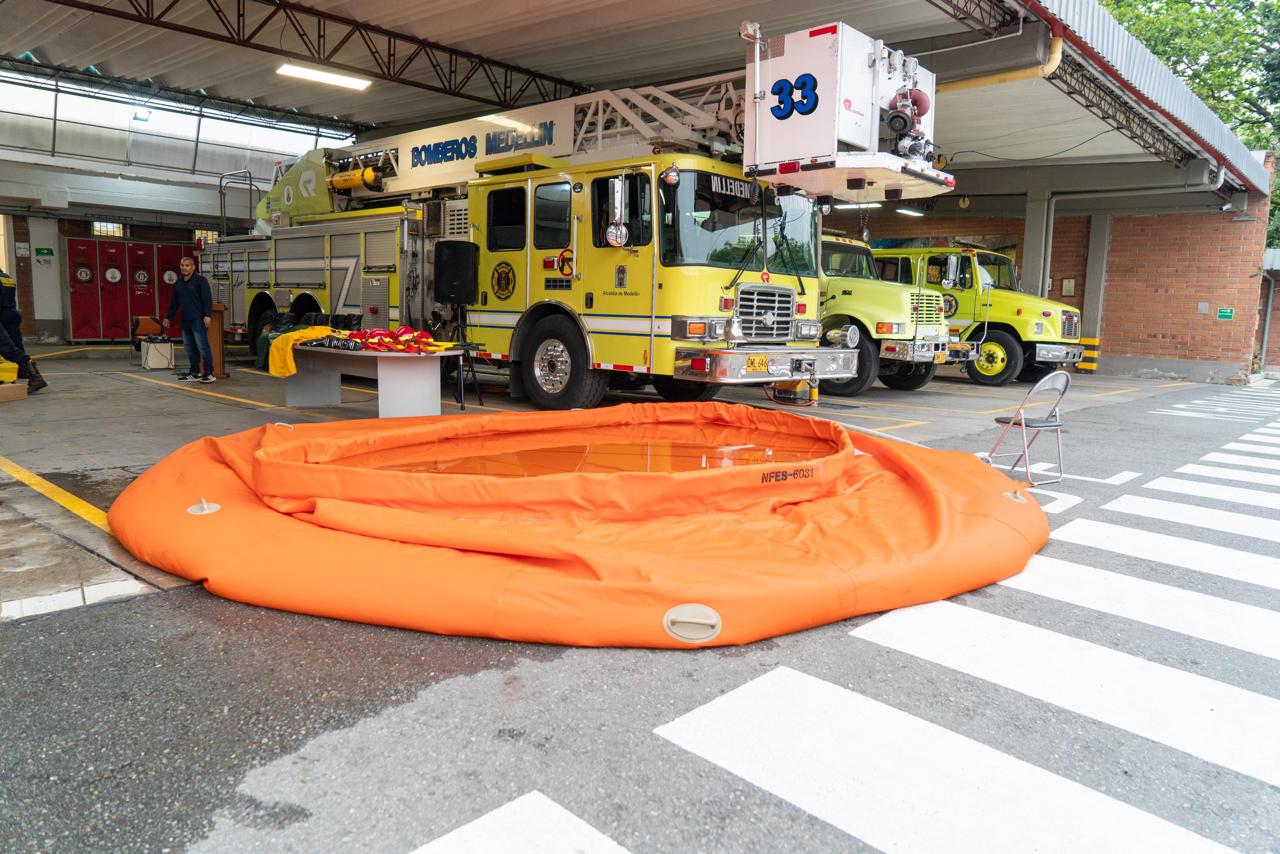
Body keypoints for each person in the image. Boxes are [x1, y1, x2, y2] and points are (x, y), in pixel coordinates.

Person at [162, 256, 215, 383]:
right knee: (189, 347)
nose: (184, 267)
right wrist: (168, 317)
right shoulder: (178, 283)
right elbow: (174, 302)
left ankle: (209, 373)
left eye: (187, 265)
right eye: (182, 265)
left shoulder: (201, 281)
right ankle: (194, 372)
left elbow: (207, 299)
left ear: (193, 267)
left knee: (202, 346)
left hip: (198, 320)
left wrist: (208, 315)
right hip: (185, 320)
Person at [0, 266, 47, 393]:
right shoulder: (7, 278)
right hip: (12, 314)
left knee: (8, 349)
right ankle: (20, 373)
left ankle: (34, 376)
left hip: (3, 315)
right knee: (15, 346)